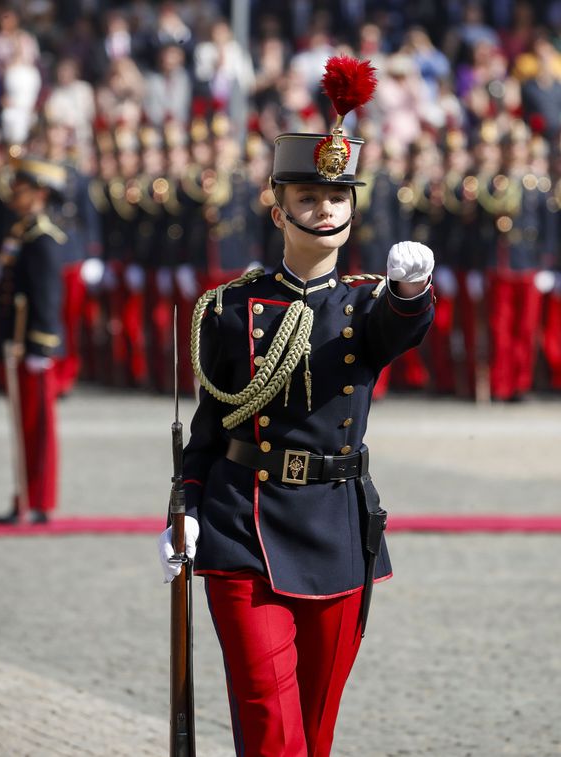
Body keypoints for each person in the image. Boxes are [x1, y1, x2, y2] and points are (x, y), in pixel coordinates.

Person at [158, 56, 435, 756]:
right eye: (309, 198)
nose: (326, 210)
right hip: (240, 523)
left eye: (337, 198)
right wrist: (185, 504)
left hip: (337, 524)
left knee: (315, 729)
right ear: (279, 208)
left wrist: (411, 291)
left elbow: (400, 328)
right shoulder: (228, 308)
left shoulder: (366, 303)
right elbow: (211, 423)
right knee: (269, 725)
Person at [0, 156, 67, 524]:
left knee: (38, 428)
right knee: (24, 426)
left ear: (38, 193)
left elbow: (47, 297)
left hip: (32, 347)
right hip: (16, 344)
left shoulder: (42, 238)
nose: (13, 196)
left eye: (20, 190)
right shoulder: (22, 231)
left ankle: (39, 501)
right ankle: (24, 497)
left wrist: (40, 346)